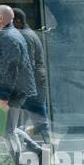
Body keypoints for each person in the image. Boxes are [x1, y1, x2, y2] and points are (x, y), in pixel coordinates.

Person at [0, 4, 38, 165]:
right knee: (12, 128)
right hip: (17, 89)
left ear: (0, 18)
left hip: (13, 91)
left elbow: (10, 69)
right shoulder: (11, 35)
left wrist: (4, 95)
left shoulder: (9, 37)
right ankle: (39, 152)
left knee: (9, 131)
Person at [12, 7, 50, 143]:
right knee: (27, 117)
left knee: (39, 118)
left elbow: (27, 63)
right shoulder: (26, 34)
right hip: (33, 79)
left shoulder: (25, 36)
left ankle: (48, 147)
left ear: (17, 21)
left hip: (32, 80)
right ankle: (24, 146)